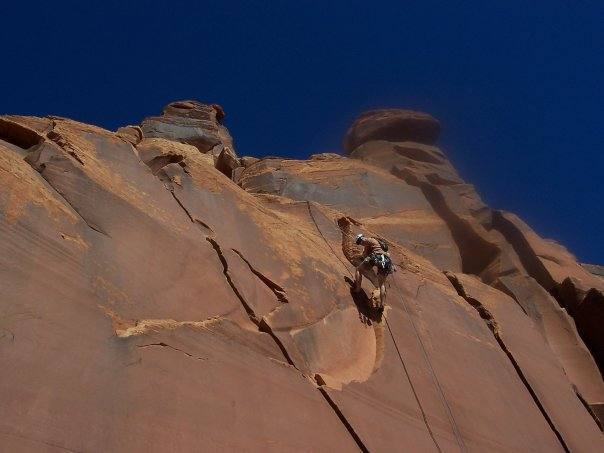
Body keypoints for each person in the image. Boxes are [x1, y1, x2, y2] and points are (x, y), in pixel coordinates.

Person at [353, 234, 393, 307]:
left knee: (358, 269)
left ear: (361, 239)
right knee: (382, 285)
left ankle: (357, 288)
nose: (361, 244)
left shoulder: (369, 240)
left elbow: (364, 254)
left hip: (376, 258)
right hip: (386, 261)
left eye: (360, 242)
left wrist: (362, 244)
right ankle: (382, 304)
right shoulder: (381, 245)